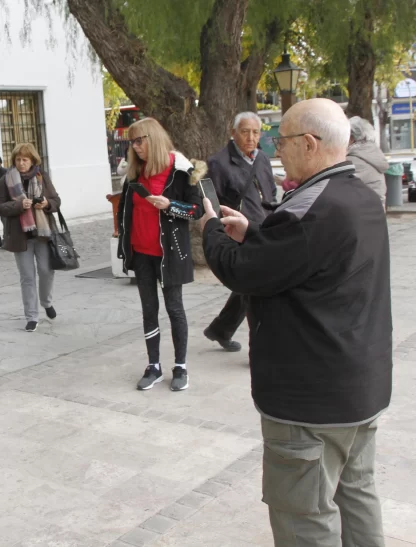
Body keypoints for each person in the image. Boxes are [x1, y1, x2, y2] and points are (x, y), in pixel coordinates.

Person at [201, 98, 391, 547]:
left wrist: (210, 227)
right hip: (358, 389)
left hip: (311, 403)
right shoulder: (359, 195)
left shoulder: (314, 208)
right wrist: (254, 232)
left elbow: (244, 272)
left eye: (279, 139)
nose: (272, 148)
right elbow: (305, 258)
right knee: (356, 495)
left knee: (304, 518)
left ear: (309, 143)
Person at [116, 118, 204, 392]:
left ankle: (181, 366)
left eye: (140, 140)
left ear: (153, 139)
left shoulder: (180, 171)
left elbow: (197, 210)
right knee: (148, 310)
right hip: (141, 254)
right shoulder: (134, 173)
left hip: (170, 255)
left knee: (174, 309)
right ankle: (153, 365)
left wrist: (170, 205)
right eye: (132, 142)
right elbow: (125, 213)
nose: (136, 146)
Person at [203, 112, 277, 353]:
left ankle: (221, 329)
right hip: (238, 231)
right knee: (257, 284)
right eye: (245, 131)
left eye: (256, 132)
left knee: (249, 285)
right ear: (233, 133)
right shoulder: (219, 162)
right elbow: (211, 199)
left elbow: (270, 192)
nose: (251, 137)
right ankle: (259, 344)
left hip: (264, 228)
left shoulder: (262, 159)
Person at [0, 143, 60, 332]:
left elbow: (56, 200)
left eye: (25, 159)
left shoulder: (42, 177)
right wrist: (19, 206)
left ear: (32, 160)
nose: (21, 163)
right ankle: (31, 316)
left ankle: (46, 302)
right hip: (19, 235)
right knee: (27, 277)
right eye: (18, 159)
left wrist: (47, 204)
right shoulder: (5, 180)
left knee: (46, 271)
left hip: (43, 233)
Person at [347, 116, 388, 208]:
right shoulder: (371, 152)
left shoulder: (353, 160)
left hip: (363, 214)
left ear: (352, 138)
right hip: (376, 213)